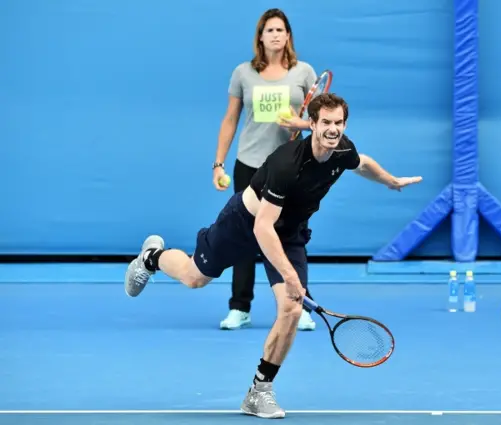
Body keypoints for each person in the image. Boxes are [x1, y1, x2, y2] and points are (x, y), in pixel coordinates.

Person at [124, 93, 422, 419]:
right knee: (194, 277)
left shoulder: (342, 150)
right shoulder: (287, 164)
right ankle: (152, 257)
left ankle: (260, 390)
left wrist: (390, 181)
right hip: (246, 223)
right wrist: (291, 277)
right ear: (312, 124)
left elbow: (361, 163)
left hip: (290, 231)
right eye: (326, 123)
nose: (333, 129)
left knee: (292, 309)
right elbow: (263, 228)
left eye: (338, 123)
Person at [213, 8, 318, 331]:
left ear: (288, 36)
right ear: (260, 37)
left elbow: (321, 121)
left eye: (280, 30)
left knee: (291, 238)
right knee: (245, 236)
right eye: (269, 30)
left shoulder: (304, 73)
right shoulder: (243, 73)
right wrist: (218, 163)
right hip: (249, 166)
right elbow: (230, 119)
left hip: (289, 168)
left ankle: (299, 306)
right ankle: (239, 307)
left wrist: (299, 123)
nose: (275, 34)